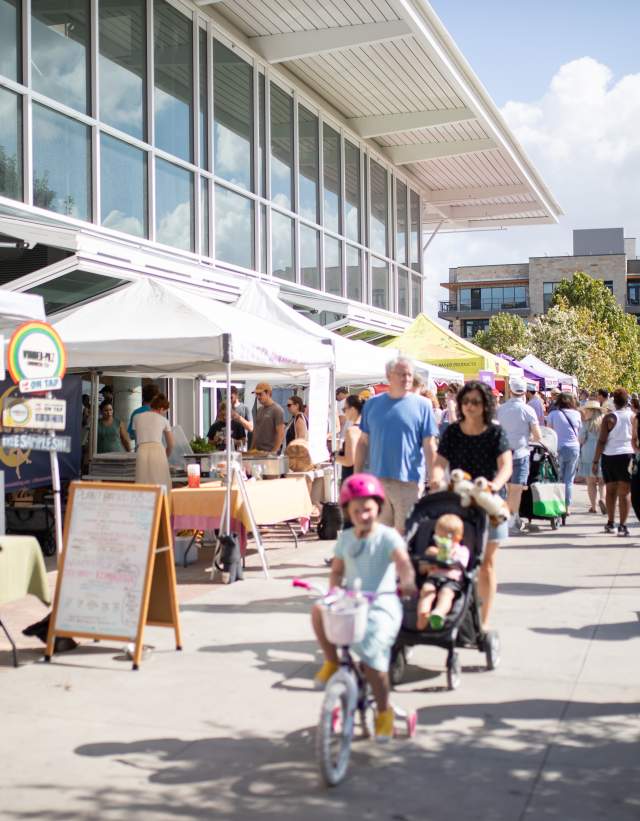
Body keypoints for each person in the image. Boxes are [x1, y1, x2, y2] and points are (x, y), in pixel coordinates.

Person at [311, 473, 417, 739]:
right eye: (357, 510)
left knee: (372, 661)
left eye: (368, 509)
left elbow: (403, 562)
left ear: (378, 508)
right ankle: (332, 662)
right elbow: (337, 572)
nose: (363, 515)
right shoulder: (346, 539)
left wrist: (407, 581)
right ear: (348, 511)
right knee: (319, 610)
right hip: (354, 600)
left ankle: (383, 713)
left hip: (382, 603)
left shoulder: (387, 537)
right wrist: (333, 593)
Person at [430, 381, 512, 629]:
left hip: (487, 501)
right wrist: (435, 477)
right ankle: (455, 611)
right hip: (458, 501)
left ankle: (483, 623)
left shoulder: (495, 433)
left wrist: (494, 485)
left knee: (486, 563)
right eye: (466, 401)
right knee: (455, 559)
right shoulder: (453, 432)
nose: (470, 407)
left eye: (476, 402)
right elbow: (439, 461)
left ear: (485, 405)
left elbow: (506, 466)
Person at [354, 356, 438, 535]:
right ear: (388, 376)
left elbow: (429, 443)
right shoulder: (372, 404)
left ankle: (403, 562)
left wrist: (434, 475)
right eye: (401, 374)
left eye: (409, 374)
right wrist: (357, 474)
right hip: (377, 480)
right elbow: (363, 442)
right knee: (380, 534)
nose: (407, 378)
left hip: (408, 481)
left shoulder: (423, 405)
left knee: (406, 533)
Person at [497, 376, 541, 532]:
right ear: (524, 392)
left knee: (507, 487)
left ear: (510, 390)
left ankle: (509, 518)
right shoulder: (528, 410)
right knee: (517, 489)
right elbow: (538, 435)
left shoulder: (500, 409)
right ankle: (513, 518)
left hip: (503, 453)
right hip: (521, 452)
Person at [416, 513, 470, 631]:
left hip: (451, 580)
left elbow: (463, 564)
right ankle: (423, 614)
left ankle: (438, 613)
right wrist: (428, 563)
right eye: (439, 536)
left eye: (447, 537)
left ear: (458, 538)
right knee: (426, 591)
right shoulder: (431, 550)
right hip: (433, 578)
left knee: (446, 594)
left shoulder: (461, 550)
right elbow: (422, 569)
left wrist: (447, 555)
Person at [593, 387, 634, 536]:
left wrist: (595, 460)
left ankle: (611, 522)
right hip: (628, 456)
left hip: (610, 456)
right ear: (627, 401)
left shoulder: (609, 418)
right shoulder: (633, 417)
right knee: (625, 492)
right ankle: (623, 525)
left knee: (610, 491)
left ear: (614, 402)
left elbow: (602, 440)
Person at [546, 393, 582, 515]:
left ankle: (557, 504)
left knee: (558, 478)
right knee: (569, 479)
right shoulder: (577, 414)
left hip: (558, 448)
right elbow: (580, 432)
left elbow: (549, 432)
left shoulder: (552, 415)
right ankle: (567, 506)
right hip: (573, 448)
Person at [133, 393, 174, 493]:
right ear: (161, 409)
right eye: (165, 411)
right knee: (161, 482)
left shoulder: (137, 417)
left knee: (142, 482)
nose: (164, 413)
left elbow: (136, 436)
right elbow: (171, 443)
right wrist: (167, 454)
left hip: (141, 450)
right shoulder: (163, 420)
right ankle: (163, 507)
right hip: (158, 451)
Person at [578, 400, 606, 514]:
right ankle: (603, 499)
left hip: (588, 454)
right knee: (602, 482)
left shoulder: (586, 423)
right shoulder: (604, 423)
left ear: (591, 411)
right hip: (602, 453)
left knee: (591, 482)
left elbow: (581, 439)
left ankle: (593, 506)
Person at [334, 395, 364, 483]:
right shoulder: (368, 428)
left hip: (352, 479)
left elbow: (349, 461)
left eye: (344, 409)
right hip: (365, 477)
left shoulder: (352, 431)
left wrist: (334, 457)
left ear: (353, 409)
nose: (343, 412)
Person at [252, 382, 285, 453]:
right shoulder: (260, 410)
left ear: (268, 393)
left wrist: (274, 452)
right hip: (257, 452)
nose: (258, 397)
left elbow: (281, 433)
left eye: (260, 394)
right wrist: (252, 449)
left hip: (269, 452)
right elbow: (256, 430)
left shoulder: (277, 410)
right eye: (256, 394)